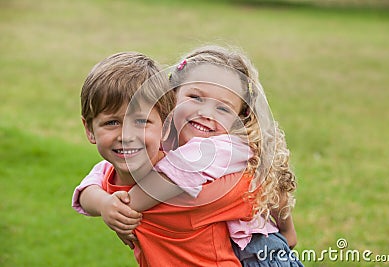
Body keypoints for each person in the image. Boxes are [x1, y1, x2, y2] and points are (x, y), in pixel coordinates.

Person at [73, 45, 302, 266]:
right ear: (171, 97)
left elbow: (274, 182)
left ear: (238, 118)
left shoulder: (226, 149)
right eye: (195, 97)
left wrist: (122, 209)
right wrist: (104, 204)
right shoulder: (154, 139)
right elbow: (97, 177)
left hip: (262, 253)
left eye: (223, 109)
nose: (205, 113)